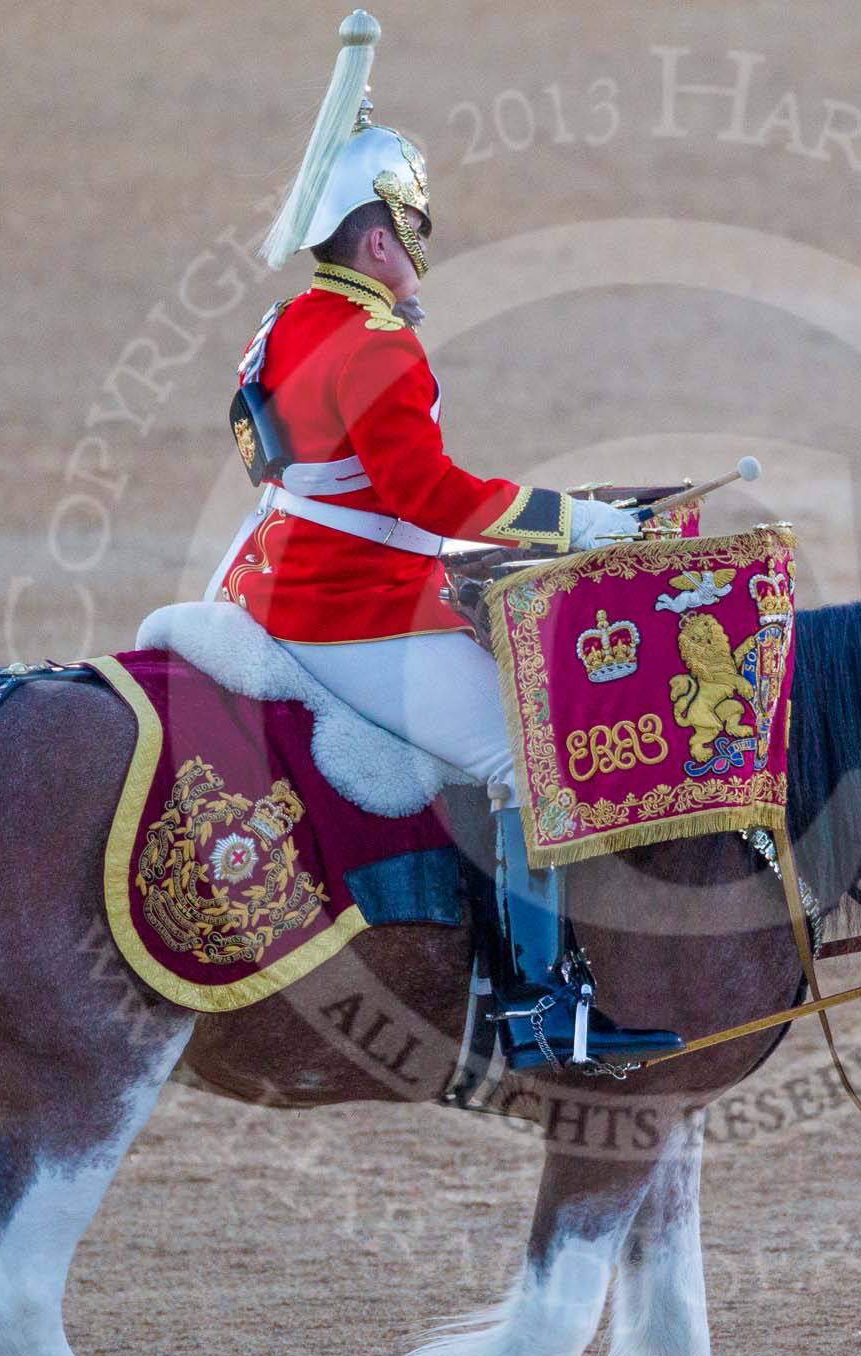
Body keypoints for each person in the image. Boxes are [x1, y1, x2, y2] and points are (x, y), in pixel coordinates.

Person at [209, 11, 679, 1071]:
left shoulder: (288, 325)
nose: (422, 248)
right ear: (377, 239)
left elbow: (309, 468)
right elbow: (425, 496)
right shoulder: (377, 348)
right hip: (340, 602)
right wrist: (575, 520)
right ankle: (532, 1005)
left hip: (273, 564)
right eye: (413, 229)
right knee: (528, 748)